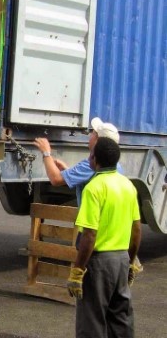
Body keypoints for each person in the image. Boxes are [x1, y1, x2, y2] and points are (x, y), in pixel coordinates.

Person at [67, 137, 142, 338]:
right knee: (121, 320)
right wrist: (131, 261)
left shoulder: (94, 188)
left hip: (99, 264)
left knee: (91, 321)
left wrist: (78, 270)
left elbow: (89, 235)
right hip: (121, 260)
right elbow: (136, 230)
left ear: (95, 158)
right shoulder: (128, 186)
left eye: (91, 154)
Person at [33, 117, 122, 205]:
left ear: (97, 141)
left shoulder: (92, 165)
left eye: (93, 133)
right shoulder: (117, 167)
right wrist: (68, 172)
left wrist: (46, 152)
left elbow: (56, 179)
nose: (90, 135)